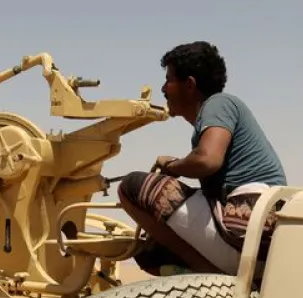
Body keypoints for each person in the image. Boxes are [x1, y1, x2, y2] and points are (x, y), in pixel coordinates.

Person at [117, 41, 287, 274]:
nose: (164, 89)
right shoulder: (217, 113)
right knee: (150, 254)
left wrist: (173, 166)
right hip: (257, 237)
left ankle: (213, 277)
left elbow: (207, 160)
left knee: (131, 187)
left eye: (169, 80)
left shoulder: (219, 103)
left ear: (189, 84)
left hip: (246, 228)